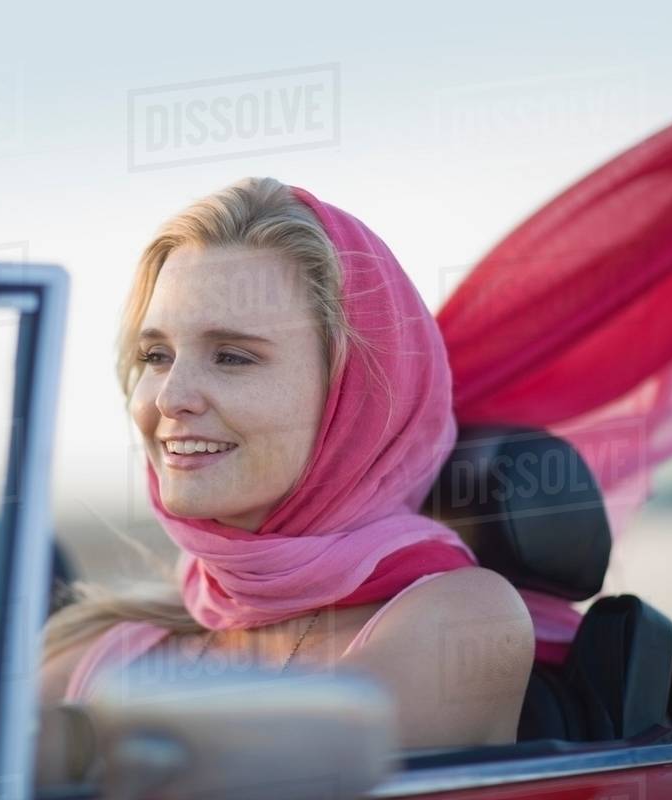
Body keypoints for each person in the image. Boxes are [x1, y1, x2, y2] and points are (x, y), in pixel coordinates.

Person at [37, 177, 539, 782]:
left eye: (233, 356)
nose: (170, 397)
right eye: (156, 355)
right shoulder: (106, 643)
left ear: (352, 397)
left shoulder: (464, 620)